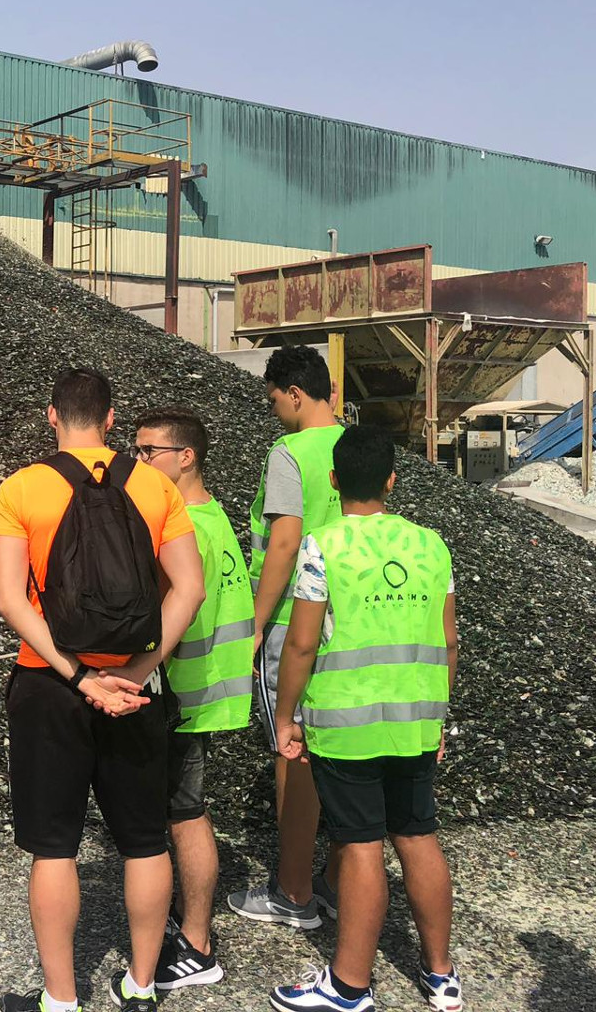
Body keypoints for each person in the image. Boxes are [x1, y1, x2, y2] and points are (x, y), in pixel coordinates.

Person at [0, 368, 206, 1012]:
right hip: (135, 687)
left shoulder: (22, 487)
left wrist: (81, 676)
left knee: (54, 846)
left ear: (51, 416)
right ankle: (141, 987)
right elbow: (188, 590)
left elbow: (10, 600)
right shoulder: (152, 484)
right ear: (112, 420)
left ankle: (61, 1000)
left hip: (50, 683)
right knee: (143, 839)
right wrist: (135, 674)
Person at [269, 425, 461, 1012]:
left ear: (333, 481)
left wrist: (286, 717)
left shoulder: (322, 546)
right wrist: (439, 720)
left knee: (359, 846)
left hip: (348, 725)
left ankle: (350, 985)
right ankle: (441, 975)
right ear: (392, 481)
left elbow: (301, 645)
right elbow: (450, 642)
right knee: (418, 835)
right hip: (416, 721)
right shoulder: (432, 545)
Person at [132, 406, 256, 992]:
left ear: (186, 457)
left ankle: (198, 944)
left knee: (184, 814)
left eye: (148, 451)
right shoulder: (213, 517)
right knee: (187, 810)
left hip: (182, 693)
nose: (138, 462)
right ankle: (194, 932)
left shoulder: (187, 529)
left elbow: (162, 619)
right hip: (205, 689)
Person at [229, 345, 345, 930]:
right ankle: (335, 879)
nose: (273, 410)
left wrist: (253, 625)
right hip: (351, 620)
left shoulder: (289, 452)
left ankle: (292, 892)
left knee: (291, 747)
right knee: (343, 751)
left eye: (274, 399)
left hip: (295, 621)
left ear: (295, 393)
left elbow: (283, 542)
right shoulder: (355, 446)